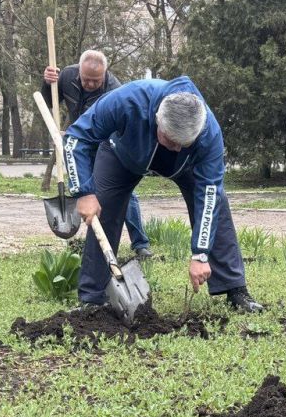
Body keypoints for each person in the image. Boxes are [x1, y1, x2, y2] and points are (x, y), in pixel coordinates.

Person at [62, 75, 263, 313]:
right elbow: (76, 137)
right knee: (104, 208)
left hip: (186, 165)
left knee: (217, 205)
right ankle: (92, 298)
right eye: (172, 140)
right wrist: (84, 192)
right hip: (123, 154)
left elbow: (209, 194)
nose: (176, 147)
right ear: (157, 118)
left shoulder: (208, 133)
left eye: (183, 142)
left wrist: (200, 254)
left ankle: (235, 290)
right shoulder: (128, 100)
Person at [43, 50, 152, 259]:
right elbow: (51, 100)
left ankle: (141, 244)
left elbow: (116, 126)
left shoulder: (114, 90)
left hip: (108, 144)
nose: (91, 84)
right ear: (78, 72)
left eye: (96, 80)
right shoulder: (66, 76)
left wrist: (76, 133)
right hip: (81, 143)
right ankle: (98, 245)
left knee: (122, 192)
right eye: (86, 80)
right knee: (85, 191)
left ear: (105, 74)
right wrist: (48, 84)